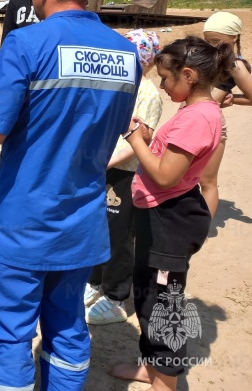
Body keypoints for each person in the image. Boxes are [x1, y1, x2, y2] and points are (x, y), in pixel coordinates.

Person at [0, 0, 141, 390]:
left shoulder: (26, 45)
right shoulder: (126, 54)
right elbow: (113, 128)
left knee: (9, 337)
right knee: (68, 330)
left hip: (24, 225)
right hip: (82, 224)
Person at [111, 37, 234, 390]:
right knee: (149, 294)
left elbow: (165, 175)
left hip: (170, 220)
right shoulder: (197, 111)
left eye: (166, 79)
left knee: (162, 306)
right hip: (164, 217)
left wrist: (135, 138)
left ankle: (165, 381)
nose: (163, 86)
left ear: (189, 75)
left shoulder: (198, 118)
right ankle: (154, 369)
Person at [86, 30, 163, 326]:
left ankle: (117, 296)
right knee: (94, 224)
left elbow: (138, 140)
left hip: (123, 172)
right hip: (99, 166)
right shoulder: (115, 86)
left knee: (118, 235)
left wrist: (102, 162)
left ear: (146, 61)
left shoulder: (148, 94)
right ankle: (93, 281)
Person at [199, 11, 252, 217]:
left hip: (211, 125)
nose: (211, 46)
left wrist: (230, 100)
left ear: (234, 38)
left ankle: (202, 232)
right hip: (193, 120)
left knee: (207, 181)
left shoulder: (236, 65)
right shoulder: (208, 60)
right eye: (207, 41)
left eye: (216, 41)